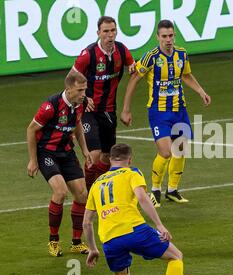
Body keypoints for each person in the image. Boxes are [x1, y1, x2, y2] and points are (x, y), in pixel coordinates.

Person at [121, 19, 211, 207]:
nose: (168, 40)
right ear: (157, 37)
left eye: (171, 35)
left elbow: (186, 75)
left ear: (174, 35)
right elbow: (134, 80)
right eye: (164, 36)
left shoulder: (182, 54)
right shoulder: (151, 57)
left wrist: (201, 91)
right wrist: (126, 109)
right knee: (165, 151)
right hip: (159, 112)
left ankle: (172, 190)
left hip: (179, 109)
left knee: (180, 150)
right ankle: (154, 190)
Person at [83, 143, 184, 275]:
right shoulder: (132, 173)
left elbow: (86, 222)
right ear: (129, 160)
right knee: (175, 256)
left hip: (109, 239)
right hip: (134, 230)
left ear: (110, 159)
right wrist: (159, 225)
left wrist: (93, 248)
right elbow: (142, 198)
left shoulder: (96, 184)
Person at [26, 70, 93, 257]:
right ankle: (53, 240)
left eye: (85, 90)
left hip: (66, 152)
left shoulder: (81, 103)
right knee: (60, 191)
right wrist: (33, 160)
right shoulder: (51, 106)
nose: (83, 94)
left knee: (82, 194)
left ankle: (76, 242)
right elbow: (31, 131)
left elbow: (77, 124)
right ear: (68, 89)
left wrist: (85, 150)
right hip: (47, 152)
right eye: (80, 90)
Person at [71, 16, 136, 192]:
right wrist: (83, 97)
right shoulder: (89, 54)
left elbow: (134, 70)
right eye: (106, 31)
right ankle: (87, 190)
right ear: (98, 33)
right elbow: (71, 79)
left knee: (107, 158)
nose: (110, 35)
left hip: (109, 110)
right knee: (94, 153)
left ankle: (98, 188)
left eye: (113, 31)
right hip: (88, 110)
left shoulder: (122, 51)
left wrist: (126, 109)